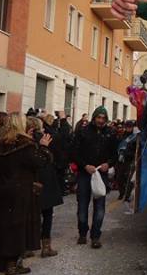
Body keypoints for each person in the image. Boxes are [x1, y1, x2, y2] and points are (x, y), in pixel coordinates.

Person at [0, 113, 37, 275]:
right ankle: (12, 263)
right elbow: (36, 164)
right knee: (16, 224)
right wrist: (44, 148)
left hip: (1, 188)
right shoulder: (25, 144)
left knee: (1, 223)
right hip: (19, 189)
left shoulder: (0, 143)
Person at [70, 107, 114, 248]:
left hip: (101, 174)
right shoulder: (83, 132)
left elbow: (115, 153)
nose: (101, 120)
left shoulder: (110, 133)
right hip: (85, 174)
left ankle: (95, 236)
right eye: (98, 117)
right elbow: (74, 153)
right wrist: (84, 166)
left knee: (100, 207)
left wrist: (109, 163)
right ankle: (83, 233)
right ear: (94, 117)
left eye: (103, 118)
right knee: (82, 206)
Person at [29, 117, 61, 258]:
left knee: (30, 214)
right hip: (46, 179)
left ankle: (28, 246)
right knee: (47, 214)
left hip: (32, 179)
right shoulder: (47, 138)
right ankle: (45, 246)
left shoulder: (24, 140)